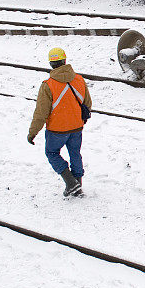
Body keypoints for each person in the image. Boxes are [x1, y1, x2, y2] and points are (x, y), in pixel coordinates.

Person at [27, 47, 92, 197]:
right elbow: (87, 103)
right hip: (77, 127)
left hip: (56, 130)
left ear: (51, 64)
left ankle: (70, 182)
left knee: (51, 153)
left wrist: (32, 133)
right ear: (65, 61)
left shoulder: (48, 85)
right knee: (75, 153)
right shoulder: (79, 80)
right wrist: (80, 119)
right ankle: (78, 185)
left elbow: (41, 113)